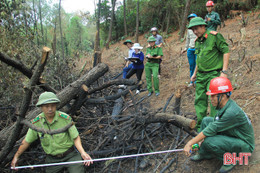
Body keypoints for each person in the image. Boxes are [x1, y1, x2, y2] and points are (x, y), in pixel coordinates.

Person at [184, 77, 255, 173]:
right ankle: (204, 152)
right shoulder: (224, 106)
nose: (211, 99)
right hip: (234, 136)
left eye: (213, 96)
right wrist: (198, 142)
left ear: (223, 95)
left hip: (245, 146)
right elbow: (212, 125)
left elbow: (211, 130)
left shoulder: (231, 112)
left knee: (209, 140)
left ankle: (230, 160)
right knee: (205, 121)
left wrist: (190, 143)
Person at [11, 92, 93, 173]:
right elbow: (27, 141)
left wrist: (83, 152)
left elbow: (75, 137)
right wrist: (16, 156)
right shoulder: (37, 122)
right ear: (41, 107)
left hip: (70, 155)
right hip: (52, 159)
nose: (50, 109)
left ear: (56, 105)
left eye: (53, 106)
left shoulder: (65, 118)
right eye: (46, 106)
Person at [188, 17, 230, 130]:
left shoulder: (214, 36)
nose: (195, 32)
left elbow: (226, 50)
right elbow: (199, 58)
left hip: (213, 74)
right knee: (199, 101)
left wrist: (224, 71)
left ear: (203, 26)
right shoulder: (197, 41)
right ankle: (201, 126)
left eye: (196, 29)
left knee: (214, 101)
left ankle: (213, 126)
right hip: (201, 76)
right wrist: (194, 73)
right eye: (193, 30)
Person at [181, 13, 198, 87]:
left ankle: (197, 81)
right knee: (191, 65)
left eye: (193, 19)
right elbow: (187, 39)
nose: (192, 20)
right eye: (190, 19)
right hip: (190, 49)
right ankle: (192, 81)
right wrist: (185, 48)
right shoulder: (189, 30)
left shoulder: (199, 28)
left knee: (198, 65)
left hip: (198, 49)